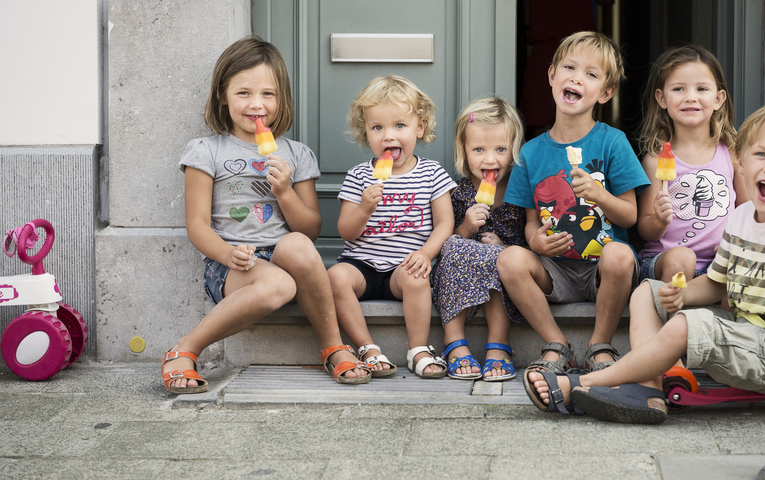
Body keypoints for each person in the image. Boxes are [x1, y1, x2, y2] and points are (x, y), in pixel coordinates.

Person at [524, 102, 765, 423]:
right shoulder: (741, 218)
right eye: (761, 154)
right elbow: (716, 283)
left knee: (686, 326)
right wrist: (680, 296)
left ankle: (581, 384)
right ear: (739, 161)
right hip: (748, 334)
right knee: (647, 291)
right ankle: (648, 392)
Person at [166, 36, 370, 393]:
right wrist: (227, 253)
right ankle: (185, 349)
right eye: (244, 93)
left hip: (285, 254)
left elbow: (310, 230)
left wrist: (284, 192)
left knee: (295, 246)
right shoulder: (206, 151)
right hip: (232, 263)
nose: (256, 105)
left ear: (282, 99)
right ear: (222, 96)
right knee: (279, 284)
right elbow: (196, 225)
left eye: (268, 94)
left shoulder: (297, 154)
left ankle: (333, 345)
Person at [499, 31, 649, 374]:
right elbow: (531, 221)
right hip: (556, 271)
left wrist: (599, 194)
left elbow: (629, 216)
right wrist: (536, 239)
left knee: (620, 253)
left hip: (604, 271)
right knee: (509, 259)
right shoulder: (531, 153)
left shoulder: (613, 142)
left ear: (605, 92)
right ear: (552, 75)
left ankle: (600, 345)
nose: (577, 78)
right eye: (569, 67)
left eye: (591, 74)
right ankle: (557, 345)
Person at [328, 75, 456, 379]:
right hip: (362, 265)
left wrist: (426, 254)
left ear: (420, 127)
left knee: (416, 278)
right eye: (377, 127)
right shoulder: (359, 176)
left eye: (400, 125)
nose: (388, 136)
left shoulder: (431, 173)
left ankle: (418, 349)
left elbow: (445, 222)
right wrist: (364, 209)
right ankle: (367, 347)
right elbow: (346, 231)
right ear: (365, 133)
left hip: (405, 265)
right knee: (334, 277)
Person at [432, 97, 527, 381]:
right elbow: (443, 242)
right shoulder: (455, 192)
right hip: (459, 278)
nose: (490, 159)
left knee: (502, 260)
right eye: (478, 149)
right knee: (452, 244)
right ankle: (454, 341)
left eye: (501, 149)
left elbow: (527, 246)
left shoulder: (520, 194)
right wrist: (465, 227)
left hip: (502, 278)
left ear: (515, 150)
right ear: (463, 150)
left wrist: (504, 248)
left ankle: (498, 345)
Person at [635, 45, 744, 283]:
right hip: (665, 260)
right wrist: (659, 220)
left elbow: (749, 210)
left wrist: (736, 243)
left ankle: (725, 320)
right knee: (681, 258)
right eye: (678, 89)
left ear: (718, 99)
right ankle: (668, 315)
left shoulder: (732, 154)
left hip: (718, 263)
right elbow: (644, 227)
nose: (690, 97)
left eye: (702, 88)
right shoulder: (655, 160)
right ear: (662, 99)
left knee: (738, 261)